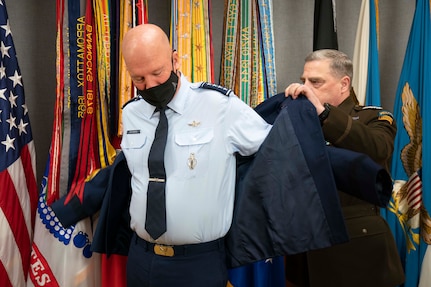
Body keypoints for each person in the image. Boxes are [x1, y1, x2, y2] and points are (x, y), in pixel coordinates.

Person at [119, 23, 272, 286]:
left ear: (175, 59)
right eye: (139, 79)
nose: (151, 85)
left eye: (157, 72)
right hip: (141, 258)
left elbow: (276, 150)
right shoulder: (131, 113)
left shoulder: (220, 105)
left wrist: (300, 108)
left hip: (197, 263)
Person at [284, 49, 405, 287]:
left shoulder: (373, 117)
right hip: (303, 252)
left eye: (315, 82)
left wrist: (324, 113)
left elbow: (377, 148)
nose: (305, 88)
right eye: (303, 81)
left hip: (355, 253)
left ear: (344, 84)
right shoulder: (293, 122)